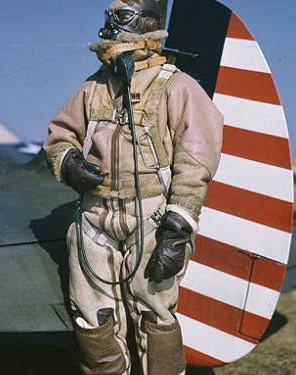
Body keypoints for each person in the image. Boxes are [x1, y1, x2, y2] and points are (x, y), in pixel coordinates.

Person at [43, 1, 223, 374]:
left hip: (152, 218)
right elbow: (60, 135)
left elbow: (196, 160)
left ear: (149, 23)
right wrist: (70, 164)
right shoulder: (93, 88)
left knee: (154, 309)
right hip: (94, 216)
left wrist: (178, 228)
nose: (112, 23)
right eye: (111, 16)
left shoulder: (177, 87)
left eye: (122, 15)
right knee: (91, 316)